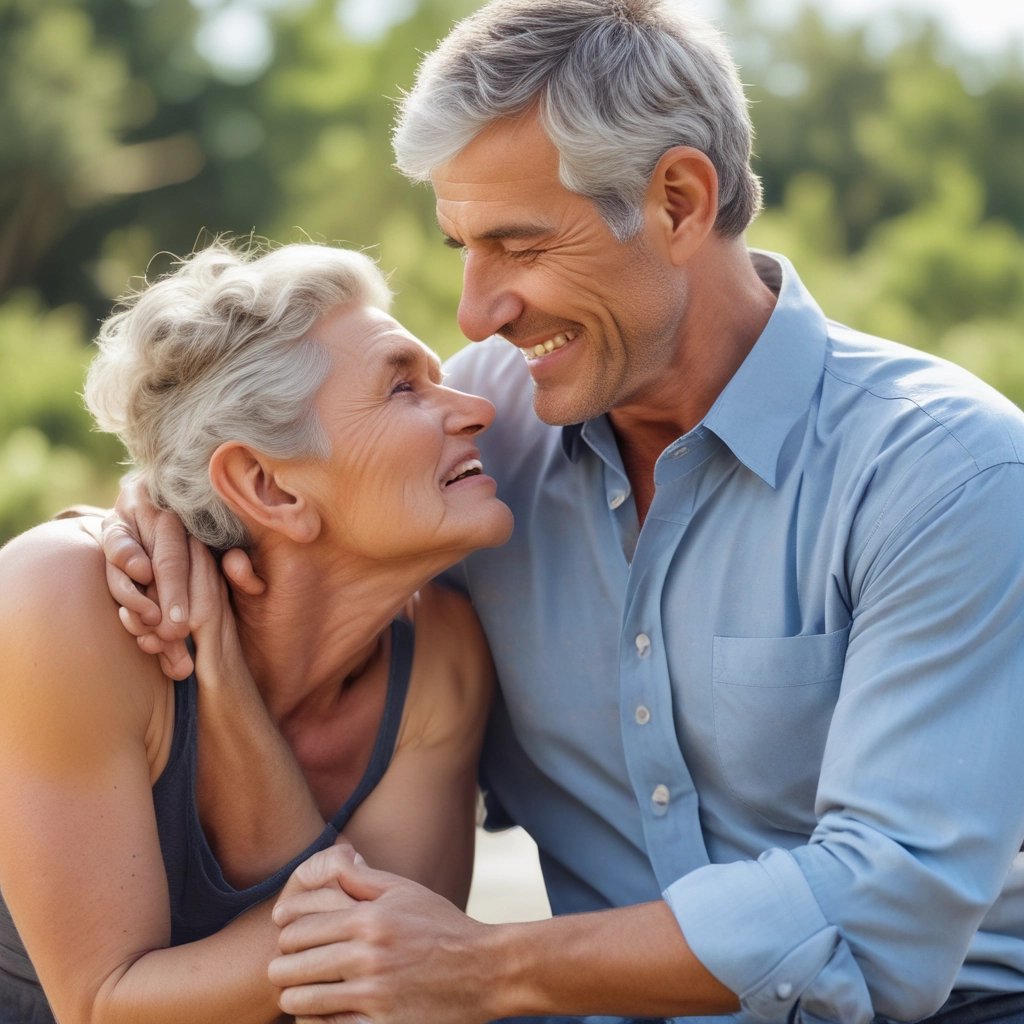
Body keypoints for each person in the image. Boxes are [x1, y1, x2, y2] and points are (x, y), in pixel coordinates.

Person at [101, 1, 1024, 1022]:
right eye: (460, 244)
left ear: (676, 202)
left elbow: (886, 911)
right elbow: (283, 512)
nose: (474, 309)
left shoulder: (944, 470)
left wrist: (490, 966)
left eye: (519, 245)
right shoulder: (480, 433)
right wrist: (164, 525)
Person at [0, 238, 514, 1023]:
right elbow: (102, 1004)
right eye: (404, 388)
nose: (477, 409)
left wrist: (227, 691)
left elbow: (394, 997)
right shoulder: (66, 602)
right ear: (267, 486)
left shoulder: (443, 658)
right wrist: (360, 935)